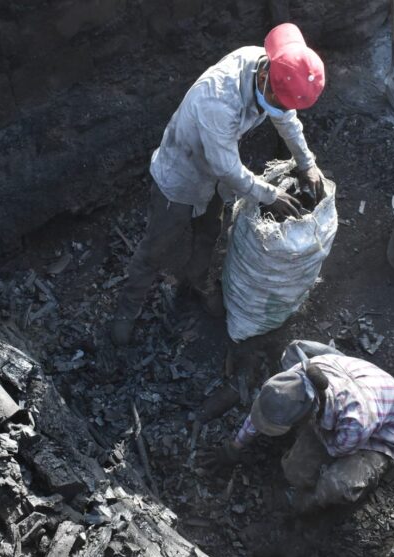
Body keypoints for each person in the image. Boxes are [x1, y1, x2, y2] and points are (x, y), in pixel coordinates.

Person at [111, 23, 326, 346]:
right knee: (156, 249)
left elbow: (286, 118)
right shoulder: (218, 100)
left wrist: (307, 163)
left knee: (209, 231)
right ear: (266, 79)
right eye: (280, 102)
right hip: (181, 175)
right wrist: (269, 195)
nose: (282, 110)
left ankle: (195, 283)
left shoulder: (269, 70)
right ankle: (127, 308)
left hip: (212, 177)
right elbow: (227, 167)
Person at [218, 340, 394, 513]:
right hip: (356, 399)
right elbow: (265, 409)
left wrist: (308, 495)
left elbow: (336, 449)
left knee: (339, 485)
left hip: (382, 437)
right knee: (294, 471)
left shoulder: (355, 422)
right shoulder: (294, 377)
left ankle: (307, 504)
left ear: (307, 416)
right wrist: (236, 446)